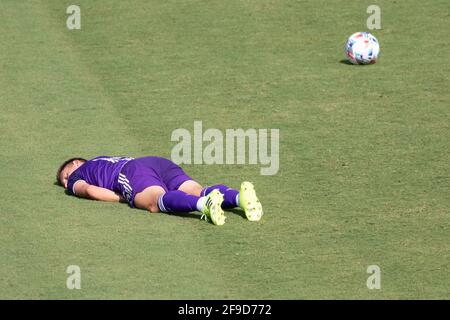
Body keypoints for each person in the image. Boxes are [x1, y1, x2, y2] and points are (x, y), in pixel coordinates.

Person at [56, 156, 263, 225]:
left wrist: (123, 197)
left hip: (132, 172)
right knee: (197, 189)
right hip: (155, 161)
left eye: (64, 177)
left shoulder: (77, 174)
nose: (66, 184)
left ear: (76, 163)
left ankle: (203, 206)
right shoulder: (102, 159)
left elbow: (90, 191)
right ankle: (238, 197)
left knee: (155, 202)